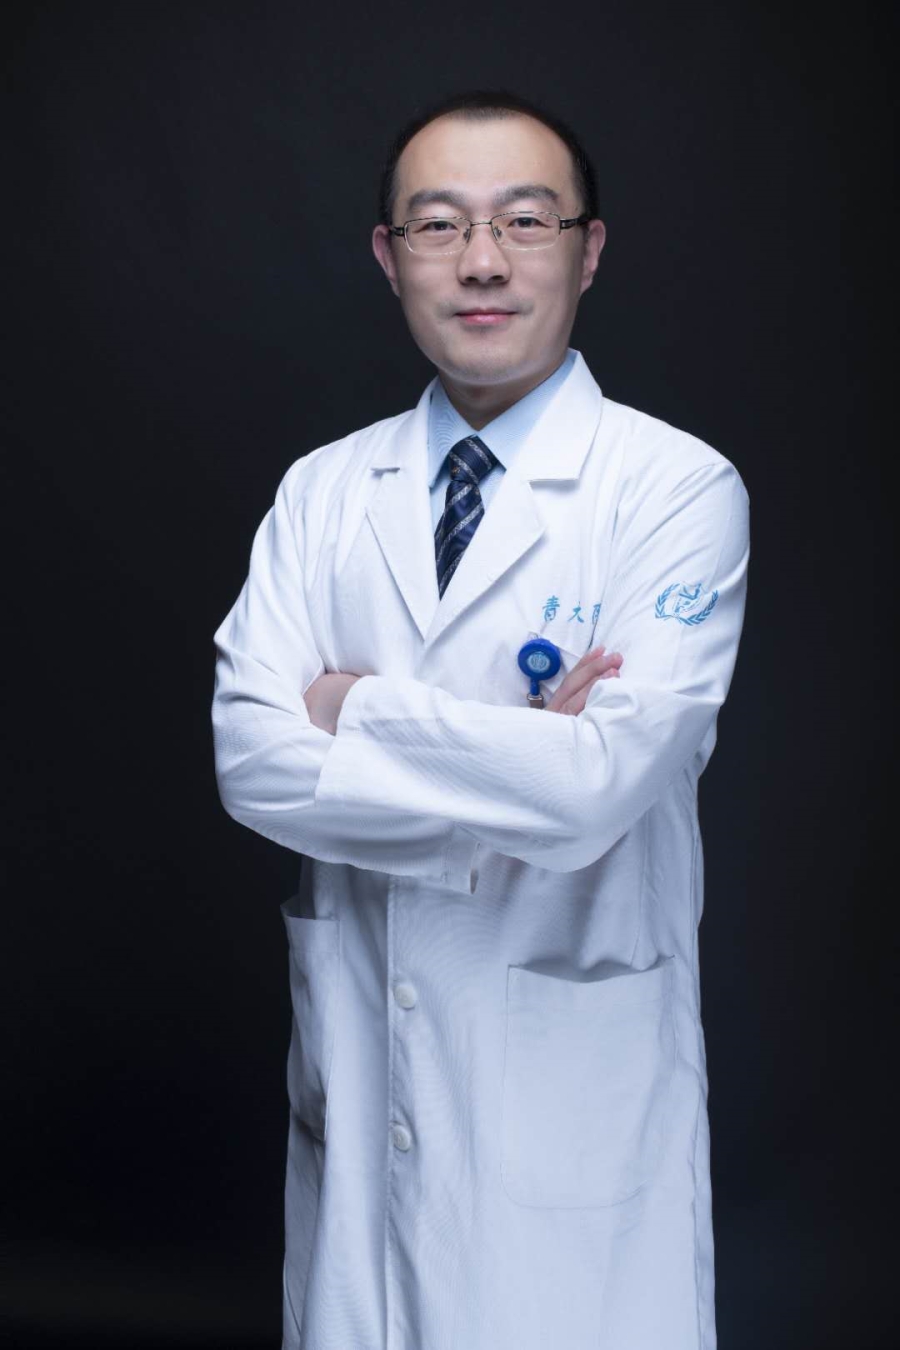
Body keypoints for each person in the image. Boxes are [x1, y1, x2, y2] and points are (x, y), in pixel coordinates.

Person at [212, 89, 749, 1350]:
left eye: (525, 220)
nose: (485, 261)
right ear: (390, 256)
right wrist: (524, 763)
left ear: (588, 249)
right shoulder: (322, 492)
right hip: (365, 1073)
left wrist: (352, 710)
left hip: (573, 1100)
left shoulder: (675, 488)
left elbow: (597, 794)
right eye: (441, 225)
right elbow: (249, 760)